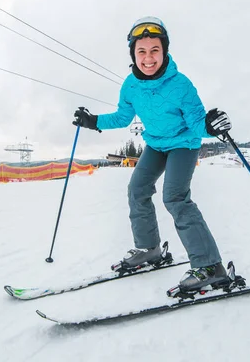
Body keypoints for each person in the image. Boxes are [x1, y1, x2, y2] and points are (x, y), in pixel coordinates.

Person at [72, 16, 233, 292]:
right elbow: (123, 117)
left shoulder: (181, 85)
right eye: (142, 51)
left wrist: (209, 125)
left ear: (165, 51)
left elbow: (196, 122)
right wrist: (94, 121)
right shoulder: (131, 86)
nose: (148, 58)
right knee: (137, 188)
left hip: (184, 143)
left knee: (175, 197)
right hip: (157, 144)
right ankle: (149, 249)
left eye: (155, 50)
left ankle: (210, 266)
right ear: (134, 54)